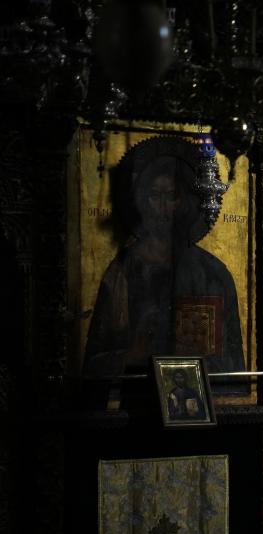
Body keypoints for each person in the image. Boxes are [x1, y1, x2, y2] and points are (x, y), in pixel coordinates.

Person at [84, 137, 245, 380]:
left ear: (185, 202)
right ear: (141, 201)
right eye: (154, 195)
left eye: (171, 195)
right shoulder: (123, 271)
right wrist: (132, 354)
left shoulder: (212, 272)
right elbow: (93, 363)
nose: (162, 206)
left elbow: (234, 366)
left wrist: (204, 359)